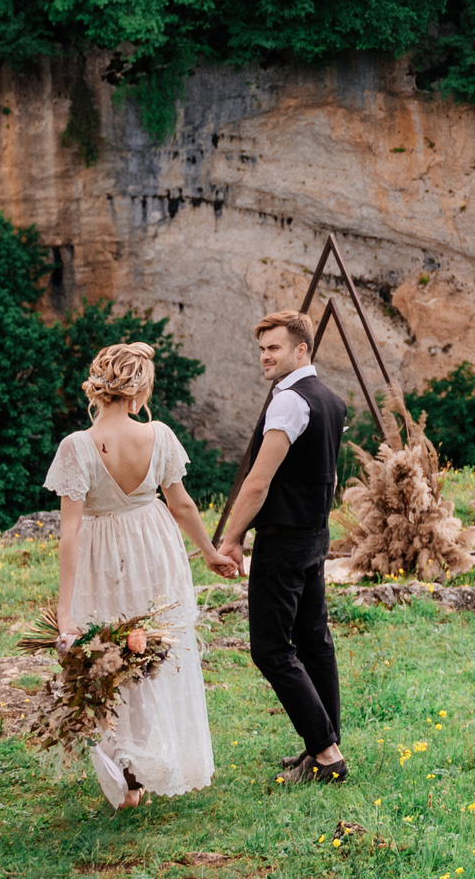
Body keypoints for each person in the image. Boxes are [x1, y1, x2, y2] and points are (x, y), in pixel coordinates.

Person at [43, 341, 240, 809]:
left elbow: (68, 533)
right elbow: (182, 505)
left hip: (100, 554)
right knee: (152, 654)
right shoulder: (160, 436)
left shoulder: (77, 447)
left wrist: (65, 612)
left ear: (100, 385)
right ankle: (144, 764)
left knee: (108, 656)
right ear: (139, 391)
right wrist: (209, 553)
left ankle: (131, 777)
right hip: (155, 549)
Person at [217, 309, 349, 785]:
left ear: (301, 349)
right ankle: (324, 743)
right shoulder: (332, 400)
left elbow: (258, 482)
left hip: (285, 542)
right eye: (261, 349)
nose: (264, 357)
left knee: (270, 650)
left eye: (273, 348)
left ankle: (326, 754)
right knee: (315, 642)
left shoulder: (290, 401)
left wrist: (231, 538)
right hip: (314, 537)